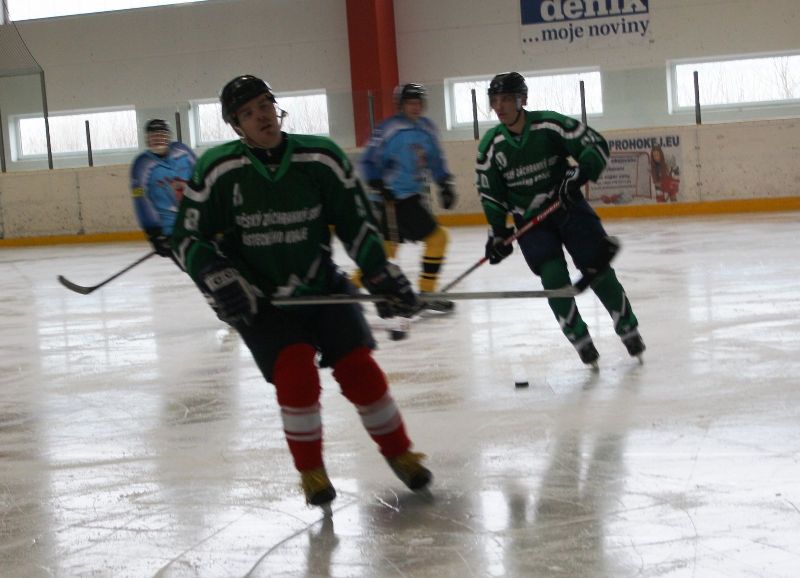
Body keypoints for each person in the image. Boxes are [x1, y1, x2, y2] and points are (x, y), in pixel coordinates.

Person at [170, 74, 433, 510]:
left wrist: (377, 269)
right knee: (295, 374)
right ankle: (311, 471)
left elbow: (355, 221)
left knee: (360, 369)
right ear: (236, 126)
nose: (261, 117)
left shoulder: (320, 157)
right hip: (262, 300)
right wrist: (215, 274)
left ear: (276, 107)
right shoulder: (218, 170)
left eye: (264, 106)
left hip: (321, 285)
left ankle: (401, 453)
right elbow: (187, 238)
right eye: (248, 113)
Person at [476, 72, 645, 367]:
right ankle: (579, 337)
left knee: (597, 267)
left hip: (567, 208)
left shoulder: (548, 125)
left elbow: (595, 145)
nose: (499, 106)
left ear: (522, 99)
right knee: (553, 276)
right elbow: (491, 195)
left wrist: (580, 173)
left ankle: (627, 326)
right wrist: (497, 233)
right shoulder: (491, 146)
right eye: (495, 100)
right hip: (531, 221)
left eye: (506, 99)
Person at [358, 83, 458, 312]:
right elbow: (368, 160)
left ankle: (349, 287)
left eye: (418, 102)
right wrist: (376, 182)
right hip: (392, 199)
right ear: (401, 105)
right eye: (410, 103)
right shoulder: (389, 129)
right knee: (436, 239)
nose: (415, 107)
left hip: (410, 197)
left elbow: (435, 160)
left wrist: (444, 183)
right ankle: (427, 292)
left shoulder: (427, 129)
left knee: (384, 253)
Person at [130, 119, 196, 259]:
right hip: (170, 230)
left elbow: (202, 177)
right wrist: (154, 232)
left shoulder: (182, 151)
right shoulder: (141, 164)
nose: (158, 139)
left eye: (161, 135)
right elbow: (141, 200)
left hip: (196, 222)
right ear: (147, 139)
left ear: (169, 136)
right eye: (153, 136)